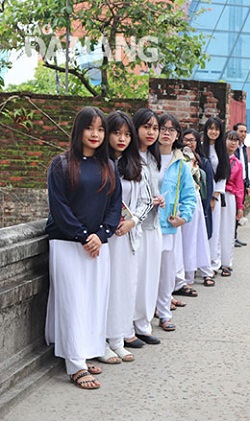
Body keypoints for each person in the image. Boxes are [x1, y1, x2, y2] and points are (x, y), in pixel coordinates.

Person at [44, 106, 121, 389]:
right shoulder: (61, 164)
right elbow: (59, 207)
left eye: (101, 129)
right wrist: (83, 236)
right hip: (67, 244)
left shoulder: (109, 166)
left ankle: (85, 351)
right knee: (72, 301)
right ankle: (75, 365)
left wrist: (101, 235)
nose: (96, 134)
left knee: (93, 302)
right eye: (90, 128)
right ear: (79, 130)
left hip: (98, 245)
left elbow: (115, 207)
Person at [100, 111, 153, 364]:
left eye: (126, 134)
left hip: (128, 236)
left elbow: (146, 201)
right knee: (105, 288)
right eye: (116, 133)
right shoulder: (99, 165)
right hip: (106, 237)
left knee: (124, 287)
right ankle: (101, 340)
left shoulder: (137, 166)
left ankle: (118, 338)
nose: (122, 139)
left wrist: (132, 222)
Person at [127, 108, 165, 348]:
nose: (151, 132)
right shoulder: (128, 159)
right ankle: (128, 325)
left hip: (154, 225)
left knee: (150, 277)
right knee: (134, 277)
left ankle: (143, 324)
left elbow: (153, 190)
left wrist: (159, 198)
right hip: (134, 228)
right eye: (146, 127)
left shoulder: (153, 158)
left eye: (155, 128)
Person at [156, 113, 197, 332]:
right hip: (142, 226)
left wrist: (184, 217)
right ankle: (140, 317)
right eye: (162, 128)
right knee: (144, 274)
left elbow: (189, 196)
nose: (166, 133)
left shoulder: (180, 163)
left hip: (167, 226)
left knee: (165, 273)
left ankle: (164, 313)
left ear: (177, 135)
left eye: (171, 130)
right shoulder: (144, 158)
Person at [181, 129, 216, 287]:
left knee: (199, 238)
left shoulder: (203, 161)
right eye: (186, 140)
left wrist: (209, 202)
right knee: (186, 241)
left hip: (197, 203)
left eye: (192, 140)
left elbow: (208, 184)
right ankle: (187, 274)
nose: (189, 143)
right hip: (182, 204)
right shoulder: (178, 159)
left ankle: (205, 271)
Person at [203, 116, 230, 275]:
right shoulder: (201, 148)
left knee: (215, 230)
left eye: (216, 129)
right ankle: (203, 262)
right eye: (210, 128)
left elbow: (223, 175)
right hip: (201, 196)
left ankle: (214, 263)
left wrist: (214, 196)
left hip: (214, 197)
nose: (213, 132)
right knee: (202, 230)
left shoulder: (222, 152)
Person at [219, 130, 245, 277]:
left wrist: (240, 206)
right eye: (230, 139)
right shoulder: (217, 159)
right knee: (215, 229)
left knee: (228, 230)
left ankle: (226, 262)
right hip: (217, 195)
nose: (233, 143)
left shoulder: (238, 164)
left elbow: (239, 186)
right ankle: (213, 261)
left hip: (229, 197)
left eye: (236, 140)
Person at [233, 122, 250, 247]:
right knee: (232, 212)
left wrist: (248, 184)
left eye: (245, 132)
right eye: (241, 131)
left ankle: (235, 236)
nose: (243, 134)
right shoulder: (232, 149)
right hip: (234, 185)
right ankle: (231, 237)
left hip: (242, 183)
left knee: (238, 212)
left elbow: (245, 167)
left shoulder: (243, 148)